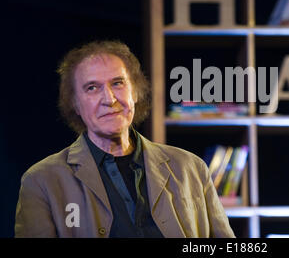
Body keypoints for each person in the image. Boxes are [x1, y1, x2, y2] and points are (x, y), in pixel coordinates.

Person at [15, 40, 235, 238]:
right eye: (92, 88)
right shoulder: (41, 180)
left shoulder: (191, 168)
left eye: (118, 83)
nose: (109, 99)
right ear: (75, 104)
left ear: (136, 92)